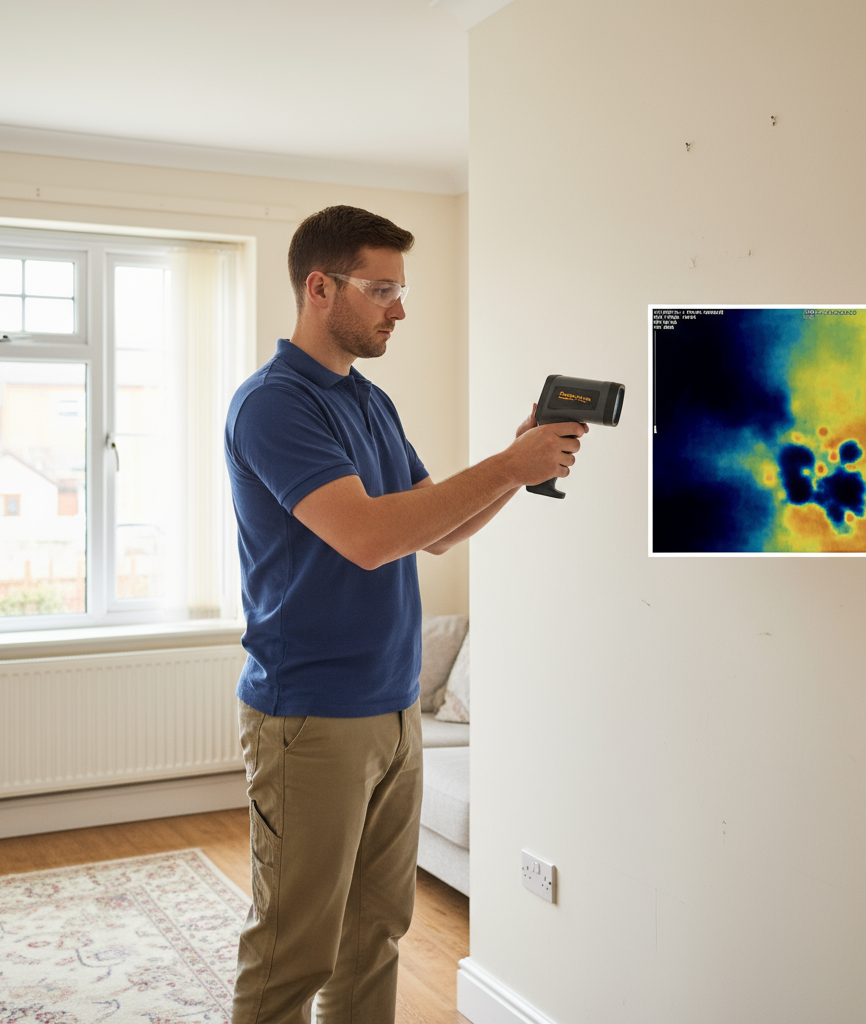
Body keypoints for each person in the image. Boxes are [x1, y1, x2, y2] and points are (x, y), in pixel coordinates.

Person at [224, 205, 585, 1024]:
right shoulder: (274, 405)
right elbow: (365, 538)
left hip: (392, 708)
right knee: (291, 953)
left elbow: (438, 531)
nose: (400, 307)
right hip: (310, 716)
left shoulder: (370, 403)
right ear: (320, 288)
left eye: (401, 288)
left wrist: (516, 467)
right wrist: (506, 463)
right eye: (380, 288)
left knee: (374, 936)